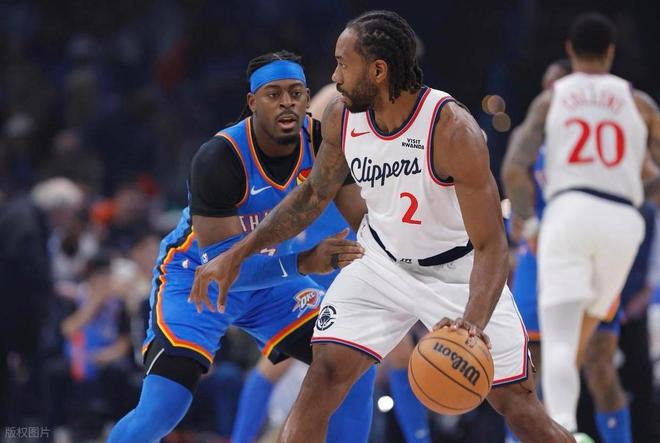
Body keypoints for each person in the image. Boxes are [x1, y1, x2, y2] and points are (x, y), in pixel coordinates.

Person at [190, 10, 574, 443]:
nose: (334, 76)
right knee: (322, 377)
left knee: (519, 408)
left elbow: (491, 245)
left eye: (342, 64)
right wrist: (238, 253)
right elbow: (313, 196)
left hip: (458, 271)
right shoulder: (341, 116)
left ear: (378, 70)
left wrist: (471, 326)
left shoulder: (451, 130)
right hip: (380, 263)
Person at [108, 50, 376, 443]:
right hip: (199, 279)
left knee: (352, 357)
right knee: (165, 407)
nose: (286, 103)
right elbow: (226, 270)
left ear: (307, 98)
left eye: (295, 93)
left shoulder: (324, 142)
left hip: (272, 281)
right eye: (273, 94)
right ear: (252, 102)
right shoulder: (220, 158)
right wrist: (304, 262)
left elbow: (366, 224)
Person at [232, 77, 431, 443]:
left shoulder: (397, 111)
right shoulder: (332, 100)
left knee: (393, 353)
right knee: (281, 360)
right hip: (320, 234)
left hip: (358, 235)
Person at [501, 12, 660, 442]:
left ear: (571, 51)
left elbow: (512, 168)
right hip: (622, 224)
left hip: (566, 219)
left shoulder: (554, 101)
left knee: (562, 346)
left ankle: (564, 431)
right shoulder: (638, 103)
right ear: (610, 52)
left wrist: (531, 223)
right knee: (574, 345)